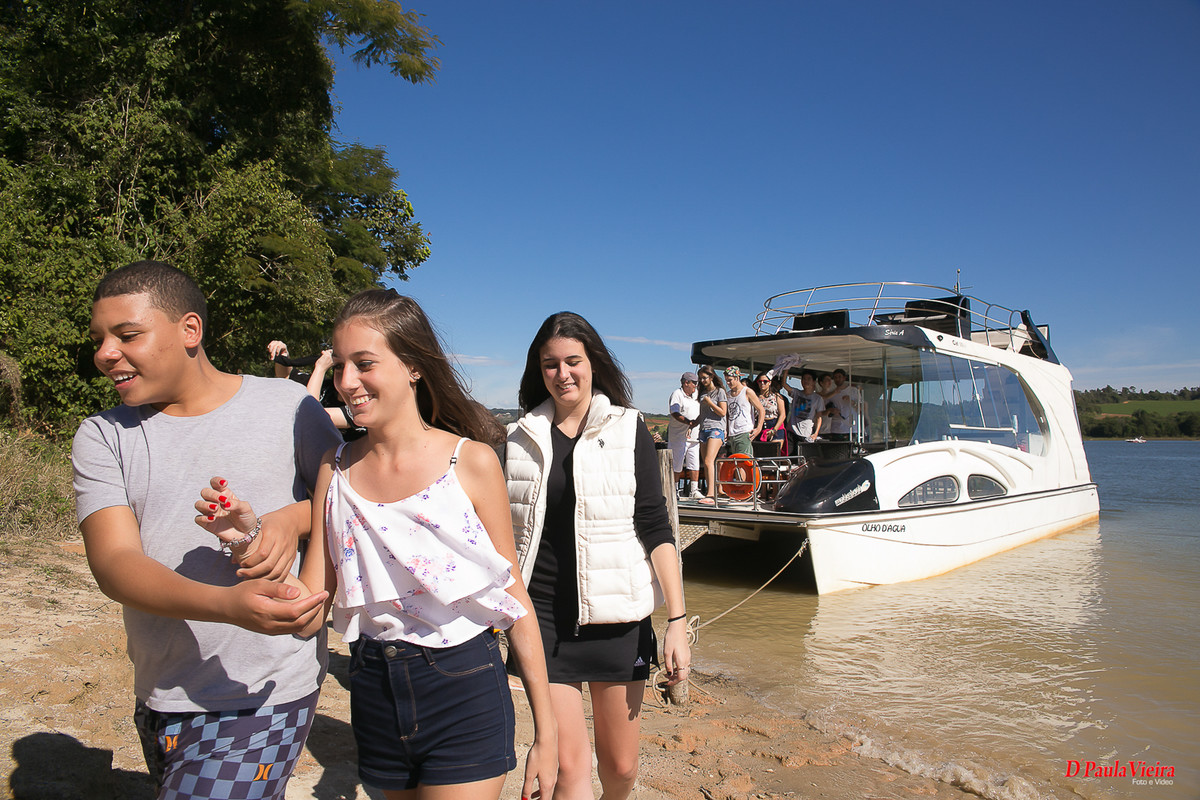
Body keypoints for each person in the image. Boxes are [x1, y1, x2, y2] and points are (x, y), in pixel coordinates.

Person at [215, 290, 559, 799]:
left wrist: (546, 735)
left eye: (364, 364)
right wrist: (246, 540)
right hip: (372, 686)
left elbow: (515, 602)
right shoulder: (335, 469)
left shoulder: (471, 462)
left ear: (414, 367)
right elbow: (309, 606)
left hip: (465, 685)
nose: (346, 382)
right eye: (339, 366)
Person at [71, 260, 342, 800]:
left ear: (189, 330)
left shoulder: (289, 406)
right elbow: (115, 563)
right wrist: (228, 604)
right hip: (160, 688)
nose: (105, 353)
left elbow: (347, 499)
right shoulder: (102, 435)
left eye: (127, 335)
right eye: (100, 338)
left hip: (265, 690)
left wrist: (289, 520)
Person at [505, 312, 690, 800]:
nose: (563, 374)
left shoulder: (629, 429)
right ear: (537, 370)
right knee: (568, 771)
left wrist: (677, 619)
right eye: (550, 365)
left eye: (573, 361)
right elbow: (505, 532)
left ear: (593, 364)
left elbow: (655, 525)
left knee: (622, 768)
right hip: (542, 619)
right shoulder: (518, 437)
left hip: (618, 617)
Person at [268, 340, 365, 438]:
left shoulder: (360, 406)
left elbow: (309, 417)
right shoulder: (324, 387)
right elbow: (286, 376)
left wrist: (320, 368)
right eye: (339, 367)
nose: (346, 377)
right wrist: (282, 355)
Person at [694, 365, 728, 505]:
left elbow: (722, 412)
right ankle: (711, 491)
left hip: (716, 429)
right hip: (703, 429)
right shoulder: (702, 394)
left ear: (712, 377)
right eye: (700, 378)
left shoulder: (719, 392)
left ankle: (711, 494)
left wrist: (709, 402)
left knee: (709, 460)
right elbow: (703, 414)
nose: (702, 381)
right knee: (706, 463)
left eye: (705, 378)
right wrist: (693, 424)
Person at [667, 372, 702, 500]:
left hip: (694, 436)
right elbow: (674, 412)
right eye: (694, 383)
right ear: (686, 383)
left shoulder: (697, 395)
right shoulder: (677, 394)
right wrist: (688, 422)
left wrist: (694, 425)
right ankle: (674, 490)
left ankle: (694, 490)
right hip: (678, 436)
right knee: (677, 464)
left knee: (694, 464)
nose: (696, 386)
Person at [723, 366, 764, 457]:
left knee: (743, 462)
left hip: (744, 431)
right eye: (726, 380)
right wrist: (726, 429)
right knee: (735, 463)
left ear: (737, 378)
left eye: (730, 380)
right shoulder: (728, 394)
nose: (728, 383)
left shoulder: (747, 391)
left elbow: (761, 409)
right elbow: (727, 414)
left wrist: (759, 428)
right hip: (732, 433)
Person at [780, 367, 825, 444]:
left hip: (806, 433)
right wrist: (786, 369)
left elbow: (819, 417)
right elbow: (784, 384)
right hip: (791, 432)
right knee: (789, 455)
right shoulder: (797, 393)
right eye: (804, 379)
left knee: (803, 455)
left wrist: (816, 433)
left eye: (808, 379)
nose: (806, 381)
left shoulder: (818, 398)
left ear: (814, 382)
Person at [752, 372, 788, 456]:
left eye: (765, 381)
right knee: (760, 455)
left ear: (770, 382)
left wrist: (774, 429)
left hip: (775, 426)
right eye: (760, 381)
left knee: (773, 455)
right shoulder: (754, 397)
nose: (762, 383)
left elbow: (783, 415)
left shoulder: (777, 397)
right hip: (760, 427)